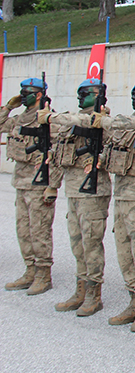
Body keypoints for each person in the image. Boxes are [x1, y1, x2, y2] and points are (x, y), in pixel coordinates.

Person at [51, 79, 135, 331]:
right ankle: (134, 300)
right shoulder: (125, 122)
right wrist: (101, 158)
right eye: (133, 94)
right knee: (125, 252)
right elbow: (113, 146)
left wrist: (107, 120)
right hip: (123, 195)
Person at [46, 78, 113, 317]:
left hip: (93, 190)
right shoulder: (76, 119)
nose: (80, 96)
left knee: (91, 243)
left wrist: (52, 117)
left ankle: (94, 295)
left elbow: (91, 128)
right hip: (74, 189)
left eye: (86, 93)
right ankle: (81, 289)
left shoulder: (102, 120)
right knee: (77, 243)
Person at [0, 78, 62, 295]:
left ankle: (44, 275)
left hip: (39, 182)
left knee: (40, 230)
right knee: (23, 230)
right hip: (21, 181)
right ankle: (30, 270)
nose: (23, 95)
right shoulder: (19, 118)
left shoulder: (47, 119)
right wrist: (8, 106)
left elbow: (55, 155)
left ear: (38, 95)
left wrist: (52, 185)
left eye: (27, 92)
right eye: (21, 91)